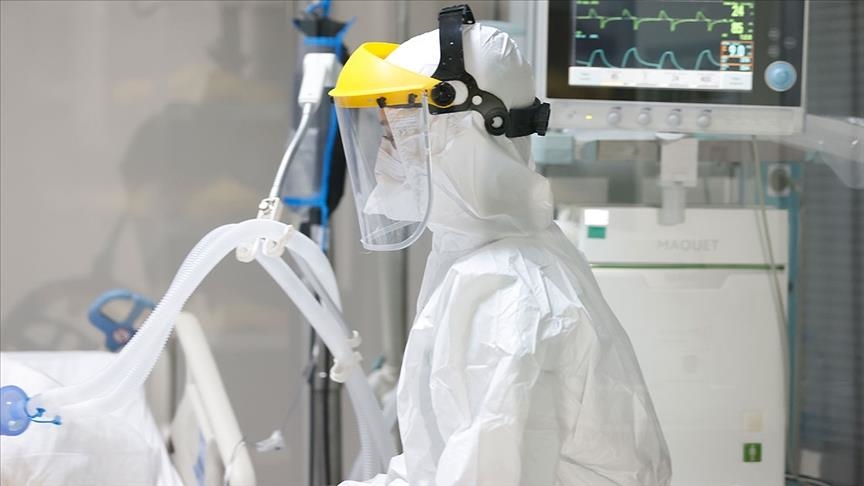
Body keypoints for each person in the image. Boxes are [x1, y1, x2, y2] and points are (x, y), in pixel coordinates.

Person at [331, 5, 671, 485]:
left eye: (397, 134)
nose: (384, 157)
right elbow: (435, 467)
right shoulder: (493, 260)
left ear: (465, 133)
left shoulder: (504, 293)